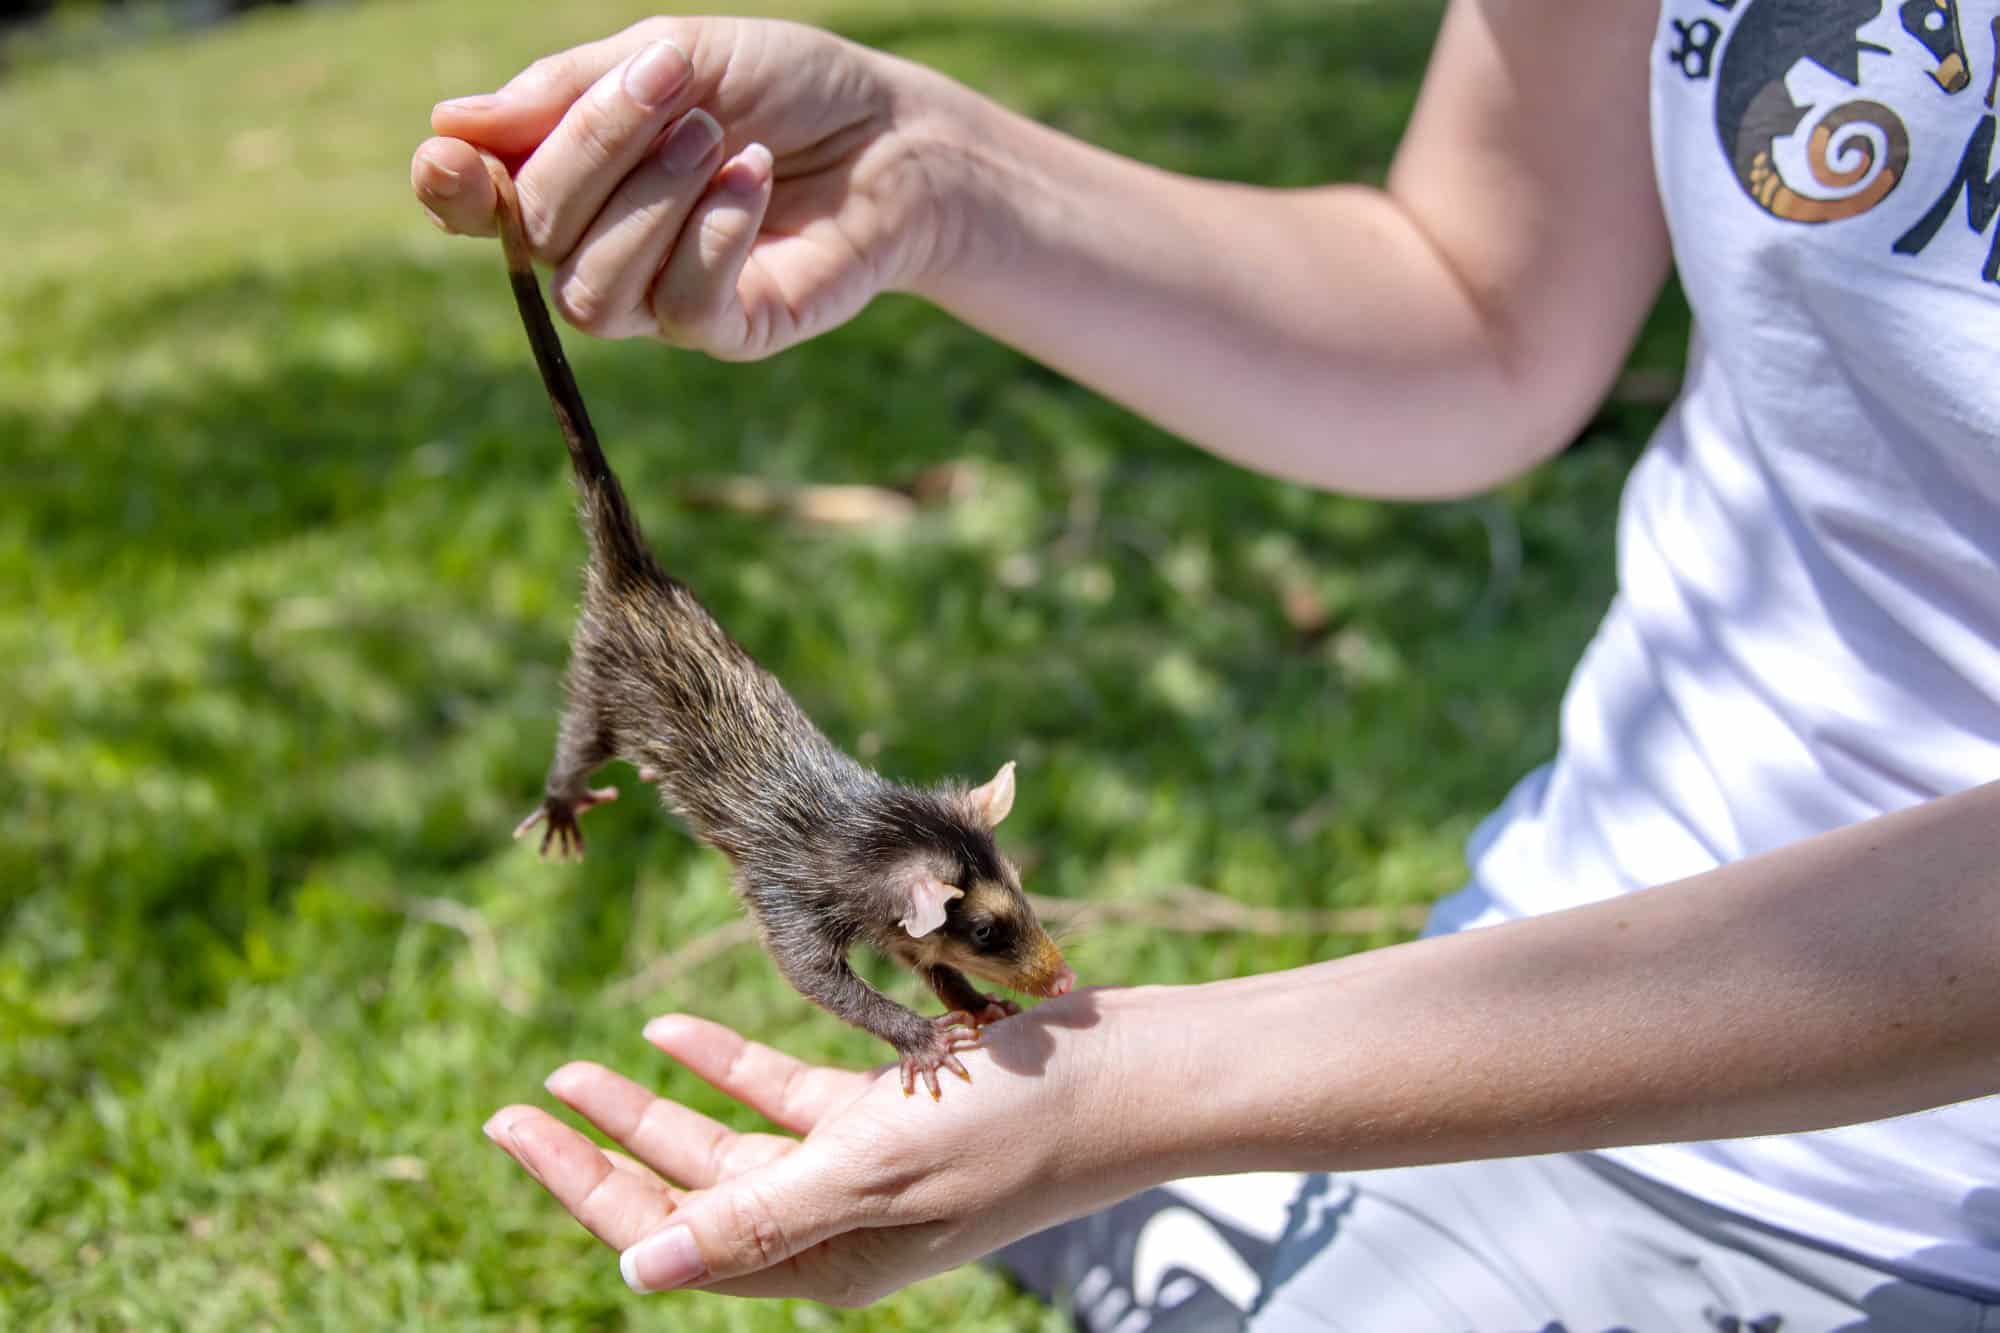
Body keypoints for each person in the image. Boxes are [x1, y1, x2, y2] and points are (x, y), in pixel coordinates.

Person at [411, 5, 2000, 1328]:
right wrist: (930, 173)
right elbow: (1478, 304)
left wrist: (1155, 1087)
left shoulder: (910, 905)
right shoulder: (873, 868)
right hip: (1521, 977)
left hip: (1897, 1183)